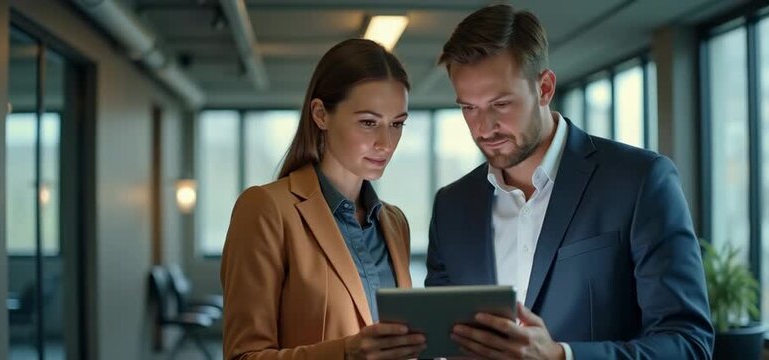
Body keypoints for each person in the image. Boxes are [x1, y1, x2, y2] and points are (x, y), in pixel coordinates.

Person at [425, 4, 714, 359]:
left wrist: (562, 356)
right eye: (469, 108)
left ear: (544, 88)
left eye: (500, 104)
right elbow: (443, 342)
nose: (483, 128)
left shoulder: (640, 181)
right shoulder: (451, 206)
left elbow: (689, 344)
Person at [221, 39, 426, 360]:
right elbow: (242, 356)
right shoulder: (267, 209)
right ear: (320, 115)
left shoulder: (394, 222)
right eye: (368, 122)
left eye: (397, 124)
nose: (386, 143)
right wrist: (346, 353)